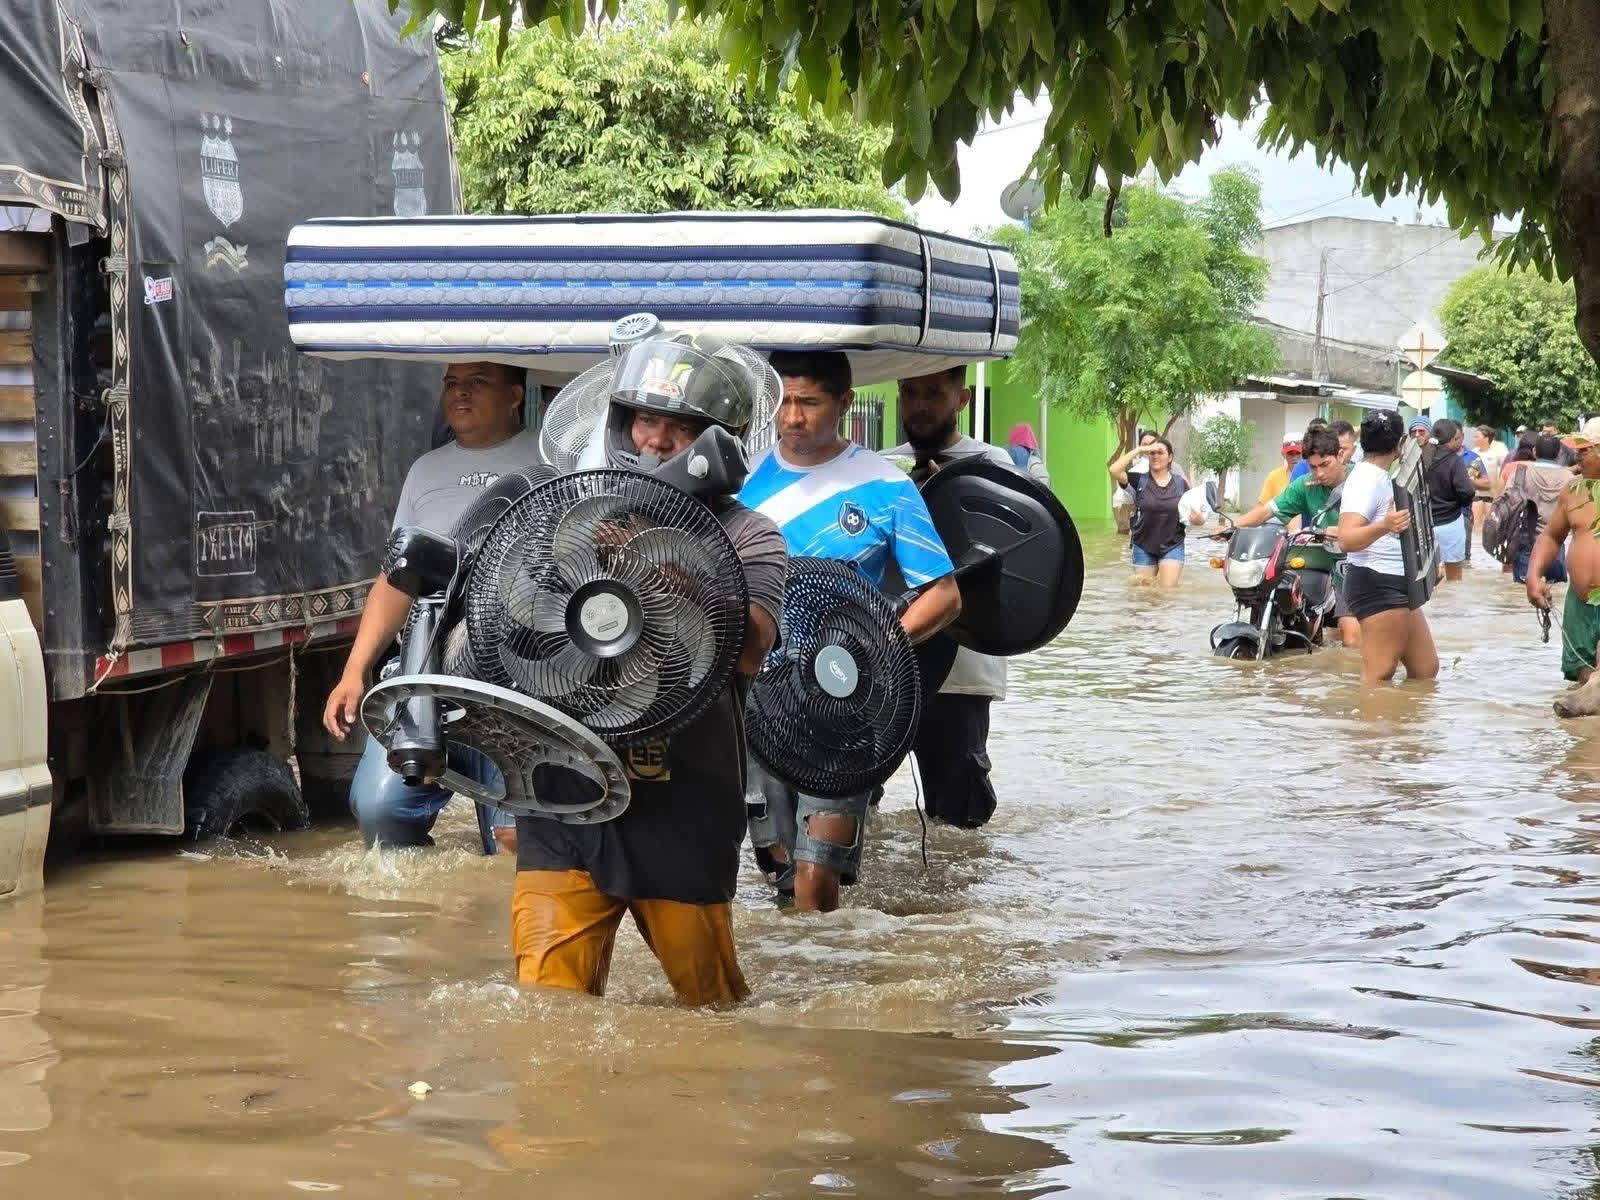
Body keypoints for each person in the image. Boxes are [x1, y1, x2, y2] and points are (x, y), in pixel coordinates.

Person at [511, 332, 787, 1006]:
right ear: (621, 423)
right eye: (648, 420)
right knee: (548, 1014)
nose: (660, 441)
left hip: (684, 794)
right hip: (565, 791)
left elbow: (752, 645)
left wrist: (651, 557)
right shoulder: (565, 511)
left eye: (683, 427)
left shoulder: (752, 534)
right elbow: (500, 614)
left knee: (710, 1009)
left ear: (721, 439)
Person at [740, 351, 961, 912]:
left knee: (818, 876)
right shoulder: (741, 479)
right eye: (784, 403)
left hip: (845, 702)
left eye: (808, 403)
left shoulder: (885, 487)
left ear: (844, 403)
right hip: (756, 698)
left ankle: (832, 972)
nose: (792, 418)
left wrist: (877, 651)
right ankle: (796, 986)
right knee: (776, 864)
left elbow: (943, 595)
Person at [322, 361, 539, 855]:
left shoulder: (550, 462)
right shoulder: (426, 470)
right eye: (452, 384)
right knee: (380, 813)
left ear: (514, 395)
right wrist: (355, 672)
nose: (460, 395)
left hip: (521, 676)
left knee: (516, 841)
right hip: (429, 667)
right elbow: (396, 579)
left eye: (477, 384)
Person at [885, 367, 1015, 829]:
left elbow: (1015, 554)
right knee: (850, 797)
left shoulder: (992, 466)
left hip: (963, 669)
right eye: (910, 393)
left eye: (934, 394)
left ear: (961, 398)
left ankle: (960, 902)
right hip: (881, 661)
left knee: (959, 815)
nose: (920, 405)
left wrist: (954, 498)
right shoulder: (880, 469)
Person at [1224, 428, 1359, 647]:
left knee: (1352, 640)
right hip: (1317, 559)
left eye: (1325, 465)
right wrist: (1233, 527)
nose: (1320, 474)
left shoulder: (1362, 480)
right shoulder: (1304, 484)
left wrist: (1343, 530)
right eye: (1314, 467)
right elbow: (1267, 511)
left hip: (1353, 564)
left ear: (1341, 456)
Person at [1336, 410, 1439, 685]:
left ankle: (1402, 727)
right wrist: (1385, 525)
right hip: (1378, 583)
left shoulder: (1384, 477)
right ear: (1401, 442)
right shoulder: (1366, 480)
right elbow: (1346, 538)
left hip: (1398, 582)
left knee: (1425, 668)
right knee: (1379, 674)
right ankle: (1370, 726)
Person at [1528, 418, 1600, 716]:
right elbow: (1551, 536)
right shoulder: (1574, 490)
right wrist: (1534, 575)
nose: (1577, 455)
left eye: (1585, 449)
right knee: (1583, 674)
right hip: (1580, 602)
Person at [1109, 436, 1201, 585]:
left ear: (1170, 457)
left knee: (1167, 592)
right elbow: (1114, 470)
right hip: (1143, 545)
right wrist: (1140, 449)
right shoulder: (1138, 480)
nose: (1155, 456)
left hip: (1172, 544)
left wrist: (1198, 520)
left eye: (1160, 452)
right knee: (1144, 596)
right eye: (1152, 453)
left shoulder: (1181, 483)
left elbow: (1195, 515)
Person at [1507, 434, 1576, 584]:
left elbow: (1507, 507)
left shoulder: (1520, 474)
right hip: (1557, 543)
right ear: (1558, 454)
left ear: (1534, 451)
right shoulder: (1570, 478)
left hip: (1525, 544)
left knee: (1521, 593)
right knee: (1554, 592)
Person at [1424, 419, 1477, 582]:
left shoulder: (1422, 457)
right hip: (1450, 523)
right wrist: (1459, 504)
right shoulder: (1454, 460)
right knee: (1454, 580)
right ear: (1452, 440)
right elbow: (1467, 491)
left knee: (1426, 579)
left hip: (1425, 526)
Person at [1257, 438, 1302, 503]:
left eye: (1298, 453)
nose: (1294, 457)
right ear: (1283, 454)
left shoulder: (1311, 474)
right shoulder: (1274, 476)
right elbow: (1262, 504)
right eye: (1290, 453)